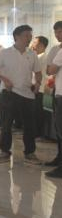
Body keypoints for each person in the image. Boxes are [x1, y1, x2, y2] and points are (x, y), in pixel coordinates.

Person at [0, 25, 42, 165]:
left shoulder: (32, 54)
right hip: (9, 93)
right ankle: (4, 151)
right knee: (6, 124)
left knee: (29, 125)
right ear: (17, 37)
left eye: (30, 35)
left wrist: (38, 83)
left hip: (27, 94)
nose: (29, 38)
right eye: (26, 35)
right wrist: (5, 80)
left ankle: (30, 153)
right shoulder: (5, 53)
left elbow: (38, 72)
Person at [46, 21, 62, 174]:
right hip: (57, 91)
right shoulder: (56, 49)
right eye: (56, 32)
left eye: (60, 32)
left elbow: (51, 69)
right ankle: (59, 158)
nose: (58, 35)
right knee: (58, 128)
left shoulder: (60, 51)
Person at [34, 35, 49, 137]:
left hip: (40, 88)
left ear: (41, 45)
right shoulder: (37, 57)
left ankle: (38, 133)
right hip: (35, 88)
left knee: (38, 112)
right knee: (35, 112)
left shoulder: (43, 58)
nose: (32, 45)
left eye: (35, 43)